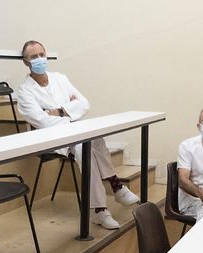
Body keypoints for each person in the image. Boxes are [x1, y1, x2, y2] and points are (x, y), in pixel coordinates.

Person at [17, 40, 139, 230]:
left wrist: (58, 111)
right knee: (85, 144)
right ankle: (110, 196)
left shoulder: (60, 78)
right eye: (34, 57)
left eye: (42, 54)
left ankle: (104, 205)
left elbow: (84, 104)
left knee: (93, 139)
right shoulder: (25, 91)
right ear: (26, 62)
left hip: (73, 130)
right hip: (49, 138)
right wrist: (70, 113)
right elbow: (41, 121)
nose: (40, 59)